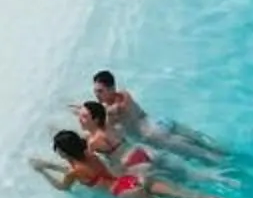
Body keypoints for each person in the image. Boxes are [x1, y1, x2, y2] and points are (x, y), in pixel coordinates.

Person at [32, 129, 252, 198]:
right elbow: (85, 173)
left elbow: (63, 187)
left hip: (125, 192)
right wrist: (50, 164)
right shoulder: (90, 154)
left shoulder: (75, 171)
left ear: (65, 153)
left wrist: (43, 171)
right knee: (186, 195)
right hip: (131, 179)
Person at [92, 70, 228, 164]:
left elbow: (112, 118)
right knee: (203, 141)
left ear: (111, 88)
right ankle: (228, 153)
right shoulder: (124, 95)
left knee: (202, 155)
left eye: (100, 91)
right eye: (95, 91)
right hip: (161, 122)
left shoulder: (111, 111)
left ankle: (232, 167)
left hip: (155, 135)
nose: (97, 94)